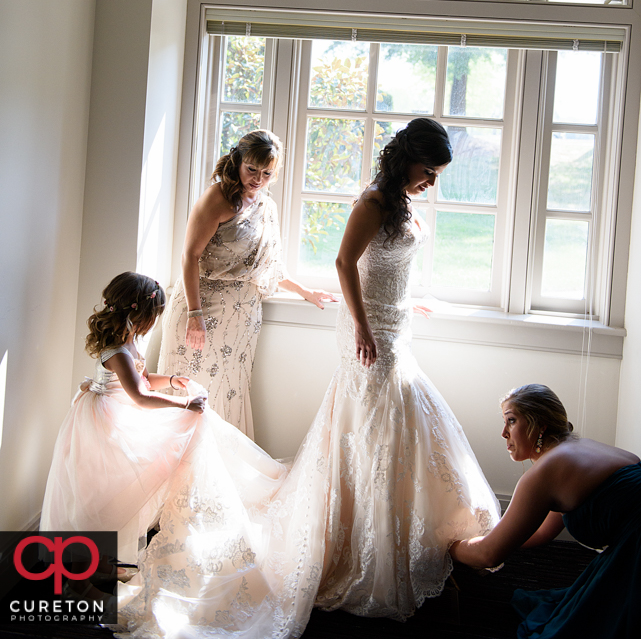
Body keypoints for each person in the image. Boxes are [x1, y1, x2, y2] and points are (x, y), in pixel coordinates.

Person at [118, 118, 501, 637]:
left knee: (389, 425)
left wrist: (410, 302)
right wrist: (363, 327)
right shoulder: (372, 202)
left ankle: (387, 529)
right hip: (368, 331)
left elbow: (386, 268)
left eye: (437, 175)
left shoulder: (403, 203)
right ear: (408, 158)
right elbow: (346, 263)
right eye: (428, 171)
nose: (431, 183)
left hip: (392, 323)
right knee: (372, 421)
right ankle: (356, 537)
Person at [157, 129, 336, 438]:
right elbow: (190, 256)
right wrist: (195, 315)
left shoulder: (267, 209)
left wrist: (306, 291)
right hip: (200, 310)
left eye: (266, 173)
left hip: (241, 319)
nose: (257, 178)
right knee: (190, 393)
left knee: (227, 393)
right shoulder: (218, 198)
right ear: (238, 160)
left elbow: (269, 268)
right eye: (252, 169)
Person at [40, 272, 208, 564]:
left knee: (118, 488)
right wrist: (184, 405)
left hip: (118, 413)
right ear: (140, 315)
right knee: (99, 492)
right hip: (102, 423)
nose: (154, 322)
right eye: (154, 315)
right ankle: (81, 565)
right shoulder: (117, 352)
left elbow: (142, 380)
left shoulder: (129, 344)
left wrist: (171, 380)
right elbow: (140, 397)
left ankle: (102, 560)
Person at [450, 383, 641, 638]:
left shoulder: (545, 472)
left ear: (540, 424)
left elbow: (488, 555)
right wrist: (497, 538)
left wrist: (449, 545)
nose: (504, 433)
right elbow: (542, 533)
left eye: (512, 420)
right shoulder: (576, 451)